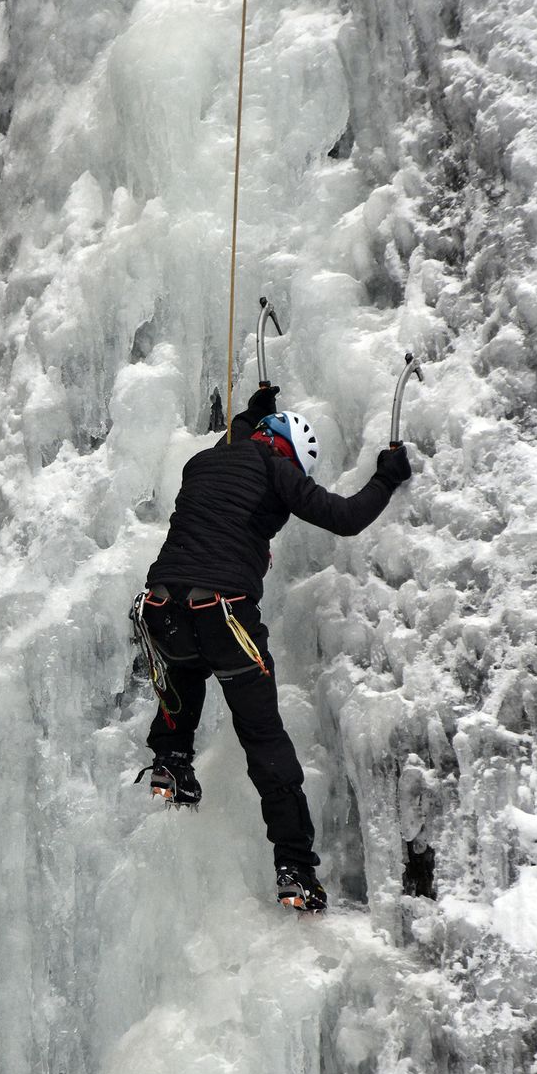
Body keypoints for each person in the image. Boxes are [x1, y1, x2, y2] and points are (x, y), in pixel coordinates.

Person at [134, 382, 413, 911]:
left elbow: (241, 442)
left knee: (184, 670)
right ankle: (294, 868)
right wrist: (386, 475)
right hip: (222, 613)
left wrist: (252, 415)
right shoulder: (276, 469)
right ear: (290, 455)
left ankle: (171, 763)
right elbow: (346, 517)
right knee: (264, 737)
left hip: (160, 608)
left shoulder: (204, 462)